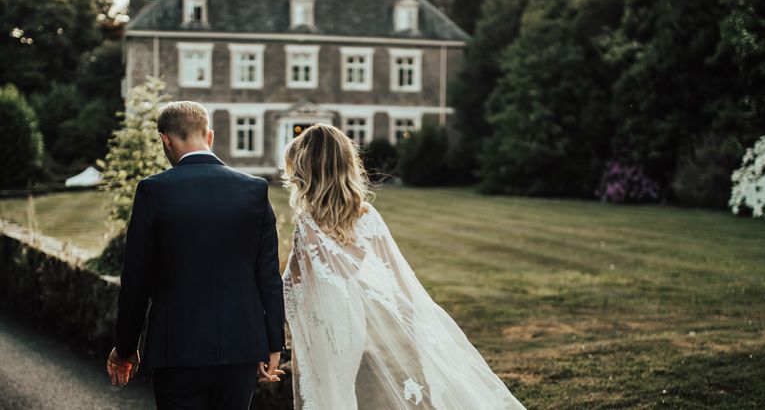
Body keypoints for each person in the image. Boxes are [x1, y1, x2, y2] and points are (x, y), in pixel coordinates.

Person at [281, 123, 527, 410]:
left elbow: (293, 285)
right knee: (341, 390)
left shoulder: (307, 224)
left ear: (307, 171)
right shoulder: (366, 215)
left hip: (325, 324)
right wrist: (414, 320)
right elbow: (395, 276)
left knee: (327, 396)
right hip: (351, 323)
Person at [106, 101, 285, 409]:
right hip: (240, 349)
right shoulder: (254, 189)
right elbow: (268, 276)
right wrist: (273, 343)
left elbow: (136, 279)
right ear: (209, 136)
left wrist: (125, 348)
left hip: (177, 351)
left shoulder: (154, 190)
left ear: (165, 140)